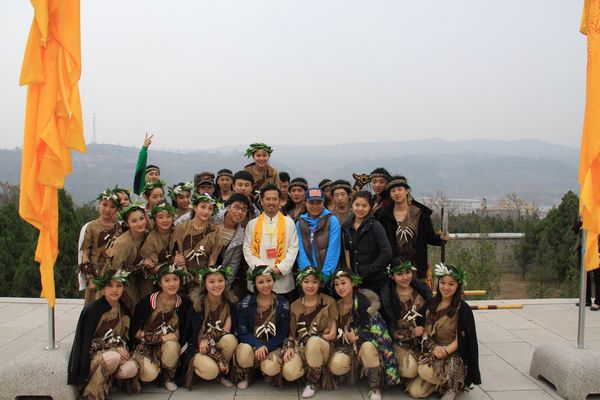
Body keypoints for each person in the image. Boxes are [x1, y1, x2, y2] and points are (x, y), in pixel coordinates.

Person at [407, 263, 481, 399]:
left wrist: (445, 351)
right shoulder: (431, 303)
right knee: (415, 392)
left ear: (458, 285)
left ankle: (454, 383)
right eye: (442, 283)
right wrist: (433, 347)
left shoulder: (462, 309)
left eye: (451, 284)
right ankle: (441, 384)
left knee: (423, 370)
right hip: (433, 350)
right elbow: (424, 329)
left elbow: (462, 339)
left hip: (452, 355)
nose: (446, 287)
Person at [330, 269, 401, 400]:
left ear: (353, 283)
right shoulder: (337, 305)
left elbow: (381, 335)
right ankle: (355, 372)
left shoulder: (366, 304)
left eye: (343, 283)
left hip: (369, 346)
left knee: (368, 347)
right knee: (336, 365)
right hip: (349, 348)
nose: (340, 287)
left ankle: (375, 387)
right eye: (336, 284)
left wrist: (356, 338)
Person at [68, 269, 138, 400]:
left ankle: (110, 380)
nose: (114, 290)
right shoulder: (92, 310)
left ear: (123, 288)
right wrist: (114, 350)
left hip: (117, 353)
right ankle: (94, 391)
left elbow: (125, 337)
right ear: (103, 288)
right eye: (109, 285)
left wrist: (123, 351)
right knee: (113, 358)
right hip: (94, 356)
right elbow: (87, 342)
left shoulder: (124, 309)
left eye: (119, 286)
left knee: (132, 368)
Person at [130, 265, 190, 392]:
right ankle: (152, 370)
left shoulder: (184, 304)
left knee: (172, 345)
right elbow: (135, 332)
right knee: (149, 375)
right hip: (145, 345)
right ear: (159, 283)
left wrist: (171, 337)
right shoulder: (147, 302)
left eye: (175, 279)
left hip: (167, 346)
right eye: (167, 280)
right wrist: (161, 338)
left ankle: (167, 377)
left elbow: (180, 333)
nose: (172, 284)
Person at [281, 267, 338, 399]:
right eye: (306, 281)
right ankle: (311, 368)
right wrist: (290, 347)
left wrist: (313, 340)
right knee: (289, 373)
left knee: (313, 342)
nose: (310, 286)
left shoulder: (329, 302)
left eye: (314, 282)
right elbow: (292, 334)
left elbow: (332, 334)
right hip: (301, 347)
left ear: (320, 284)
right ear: (300, 283)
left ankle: (312, 382)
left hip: (323, 346)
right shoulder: (294, 306)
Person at [179, 265, 238, 388]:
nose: (217, 285)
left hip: (214, 343)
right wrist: (202, 340)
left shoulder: (229, 303)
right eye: (211, 281)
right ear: (205, 284)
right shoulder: (197, 305)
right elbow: (191, 334)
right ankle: (199, 370)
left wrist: (207, 338)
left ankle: (220, 373)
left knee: (231, 339)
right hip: (198, 348)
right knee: (211, 371)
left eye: (220, 281)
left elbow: (226, 330)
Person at [377, 176, 447, 280]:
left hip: (417, 265)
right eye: (393, 191)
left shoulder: (421, 213)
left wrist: (442, 238)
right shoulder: (384, 216)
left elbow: (430, 238)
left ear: (407, 191)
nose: (396, 193)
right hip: (393, 266)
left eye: (400, 189)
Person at [233, 265, 290, 389]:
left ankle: (266, 371)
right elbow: (241, 330)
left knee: (271, 367)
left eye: (269, 280)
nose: (265, 285)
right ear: (254, 284)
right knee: (243, 351)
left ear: (274, 280)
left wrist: (266, 346)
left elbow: (283, 333)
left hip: (272, 345)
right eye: (260, 282)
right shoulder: (246, 303)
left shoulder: (283, 303)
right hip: (252, 345)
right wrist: (258, 344)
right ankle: (248, 374)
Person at [379, 258, 432, 381]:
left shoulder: (421, 293)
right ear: (392, 276)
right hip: (399, 343)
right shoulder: (388, 299)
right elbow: (388, 331)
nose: (405, 277)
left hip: (422, 341)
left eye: (408, 272)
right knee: (410, 369)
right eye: (399, 274)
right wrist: (411, 333)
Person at [243, 184, 299, 299]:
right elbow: (247, 249)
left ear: (280, 201)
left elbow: (293, 248)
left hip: (282, 279)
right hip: (258, 278)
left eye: (275, 199)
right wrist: (261, 269)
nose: (271, 202)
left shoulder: (289, 223)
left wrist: (281, 268)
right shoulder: (252, 224)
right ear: (261, 201)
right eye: (267, 199)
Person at [341, 191, 392, 294]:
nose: (360, 209)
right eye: (357, 205)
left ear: (370, 207)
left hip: (375, 280)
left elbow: (387, 252)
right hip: (355, 279)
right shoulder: (346, 227)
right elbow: (345, 251)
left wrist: (371, 269)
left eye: (364, 206)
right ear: (352, 205)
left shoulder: (375, 226)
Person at [171, 193, 223, 293]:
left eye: (210, 209)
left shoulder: (215, 230)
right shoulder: (182, 227)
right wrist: (186, 277)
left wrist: (207, 278)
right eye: (203, 207)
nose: (206, 211)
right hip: (182, 274)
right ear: (195, 207)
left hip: (203, 277)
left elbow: (213, 258)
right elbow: (178, 253)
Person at [79, 188, 122, 304]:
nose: (107, 209)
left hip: (113, 275)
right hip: (96, 274)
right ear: (99, 205)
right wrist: (90, 278)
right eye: (104, 205)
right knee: (93, 307)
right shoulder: (91, 227)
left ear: (117, 209)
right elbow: (85, 254)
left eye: (112, 206)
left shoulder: (119, 228)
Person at [104, 204, 149, 313]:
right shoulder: (123, 243)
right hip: (121, 281)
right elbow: (114, 271)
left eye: (141, 218)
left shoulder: (147, 235)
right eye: (134, 221)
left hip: (138, 278)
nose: (140, 223)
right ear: (127, 223)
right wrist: (140, 265)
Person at [296, 187, 341, 281]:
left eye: (319, 202)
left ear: (323, 203)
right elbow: (300, 251)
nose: (315, 206)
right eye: (311, 202)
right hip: (308, 277)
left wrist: (324, 277)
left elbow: (333, 250)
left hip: (328, 276)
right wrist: (308, 273)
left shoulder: (332, 220)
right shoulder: (300, 223)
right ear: (305, 203)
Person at [139, 203, 178, 299]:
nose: (165, 220)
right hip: (156, 282)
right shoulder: (151, 240)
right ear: (155, 219)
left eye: (168, 216)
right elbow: (152, 269)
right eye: (160, 217)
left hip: (177, 278)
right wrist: (173, 262)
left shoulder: (178, 232)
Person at [216, 193, 250, 299]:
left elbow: (233, 266)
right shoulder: (213, 218)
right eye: (237, 207)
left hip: (219, 279)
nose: (240, 212)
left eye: (244, 209)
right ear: (228, 207)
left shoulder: (240, 237)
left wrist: (223, 289)